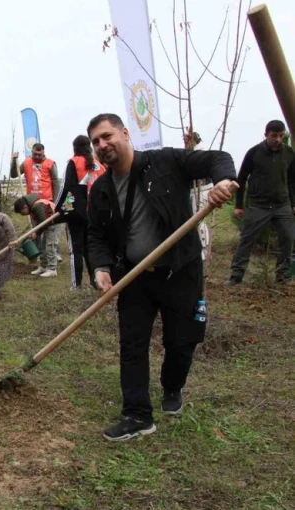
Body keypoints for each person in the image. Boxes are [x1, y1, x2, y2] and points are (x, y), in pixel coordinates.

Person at [85, 113, 236, 442]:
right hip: (135, 278)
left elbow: (217, 159)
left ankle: (173, 385)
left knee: (182, 341)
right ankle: (137, 415)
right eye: (96, 141)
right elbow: (95, 235)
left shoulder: (166, 161)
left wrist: (223, 181)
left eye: (107, 136)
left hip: (180, 271)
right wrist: (100, 268)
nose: (102, 145)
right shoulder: (101, 189)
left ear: (125, 133)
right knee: (132, 345)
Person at [226, 119, 295, 286]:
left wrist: (293, 203)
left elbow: (292, 180)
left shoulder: (289, 153)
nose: (278, 139)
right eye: (273, 135)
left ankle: (282, 276)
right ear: (266, 135)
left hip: (281, 204)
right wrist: (238, 205)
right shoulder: (254, 153)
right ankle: (236, 276)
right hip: (258, 205)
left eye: (280, 135)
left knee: (288, 238)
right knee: (247, 239)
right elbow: (241, 179)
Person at [55, 135, 107, 289]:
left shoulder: (74, 162)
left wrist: (57, 208)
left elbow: (65, 189)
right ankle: (94, 282)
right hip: (96, 215)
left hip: (77, 214)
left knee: (76, 250)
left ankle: (76, 286)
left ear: (75, 148)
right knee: (91, 249)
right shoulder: (99, 165)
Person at [11, 143, 62, 277]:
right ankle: (42, 263)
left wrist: (55, 201)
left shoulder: (50, 163)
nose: (37, 156)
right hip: (31, 204)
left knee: (48, 235)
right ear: (31, 152)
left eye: (40, 154)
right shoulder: (27, 162)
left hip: (46, 204)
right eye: (35, 154)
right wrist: (13, 161)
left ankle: (52, 263)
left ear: (43, 152)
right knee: (40, 236)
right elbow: (14, 174)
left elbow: (56, 182)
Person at [13, 194, 57, 277]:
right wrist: (35, 232)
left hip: (54, 223)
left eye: (22, 213)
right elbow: (40, 221)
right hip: (49, 224)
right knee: (44, 245)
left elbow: (44, 223)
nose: (23, 215)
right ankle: (43, 266)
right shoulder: (33, 207)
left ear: (25, 207)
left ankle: (52, 269)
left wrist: (36, 233)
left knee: (50, 244)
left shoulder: (37, 206)